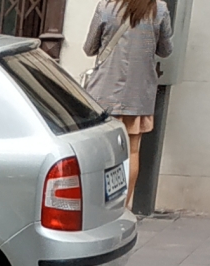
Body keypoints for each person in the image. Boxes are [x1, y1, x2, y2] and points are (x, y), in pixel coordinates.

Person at [84, 0, 171, 205]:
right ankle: (123, 206)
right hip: (138, 93)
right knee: (132, 150)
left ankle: (95, 206)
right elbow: (166, 50)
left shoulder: (106, 7)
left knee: (99, 151)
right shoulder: (159, 9)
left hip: (103, 93)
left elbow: (89, 48)